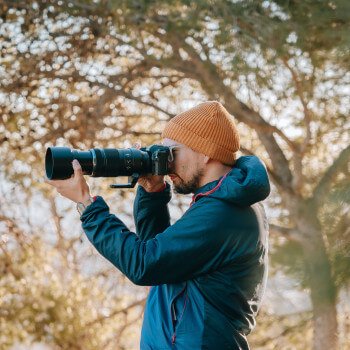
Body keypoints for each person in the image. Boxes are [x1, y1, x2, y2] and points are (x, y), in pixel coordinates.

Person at [45, 101, 270, 350]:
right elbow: (165, 264)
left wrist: (87, 207)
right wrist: (152, 192)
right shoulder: (219, 202)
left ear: (205, 153)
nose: (166, 163)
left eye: (172, 152)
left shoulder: (224, 212)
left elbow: (145, 264)